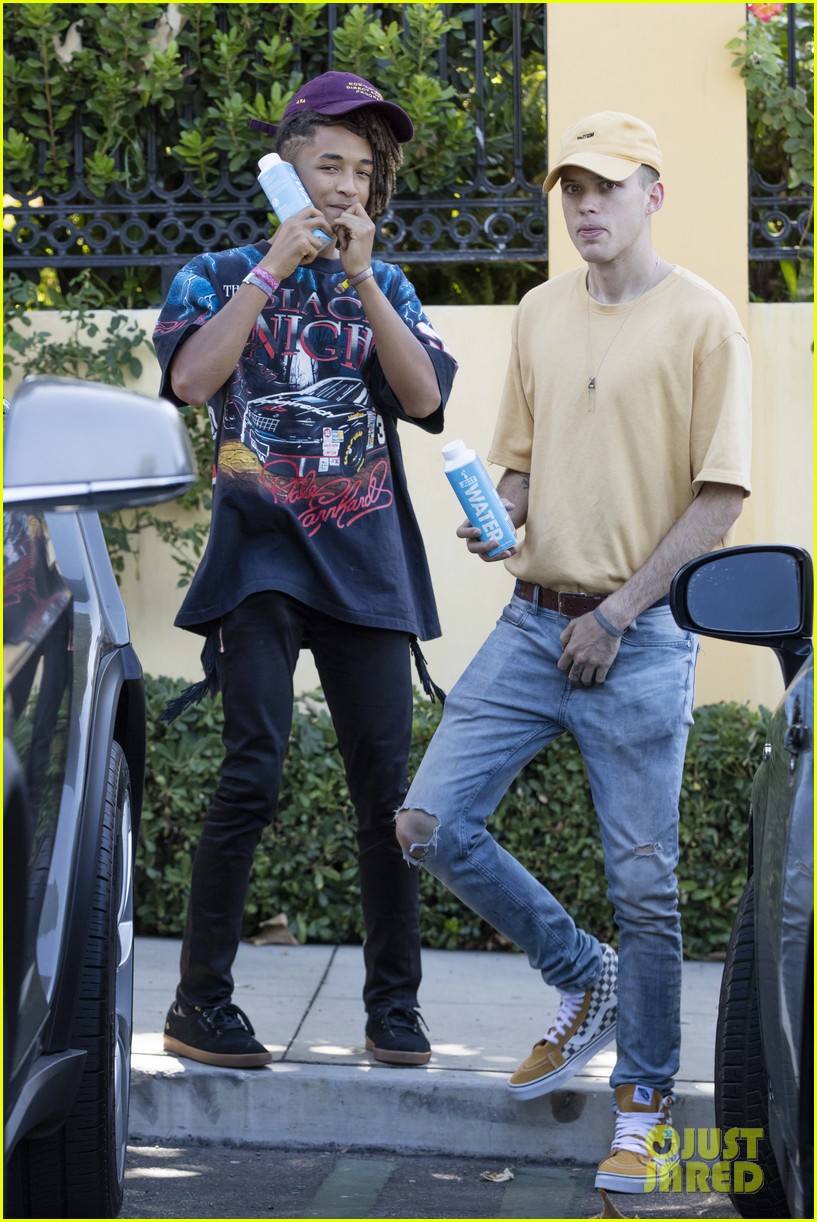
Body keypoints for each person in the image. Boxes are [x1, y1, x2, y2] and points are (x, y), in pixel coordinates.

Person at [395, 111, 752, 1191]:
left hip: (635, 642)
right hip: (529, 620)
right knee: (427, 822)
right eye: (570, 190)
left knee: (645, 888)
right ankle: (577, 973)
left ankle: (642, 1100)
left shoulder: (704, 323)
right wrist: (495, 516)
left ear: (652, 193)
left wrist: (619, 615)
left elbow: (719, 499)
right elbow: (517, 462)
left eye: (607, 187)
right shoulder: (540, 312)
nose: (585, 207)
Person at [152, 71, 458, 1071]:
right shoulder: (215, 271)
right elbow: (194, 378)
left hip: (364, 562)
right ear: (283, 170)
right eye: (329, 165)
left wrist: (363, 280)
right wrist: (276, 266)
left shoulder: (388, 286)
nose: (346, 188)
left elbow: (421, 402)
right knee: (253, 772)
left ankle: (395, 1008)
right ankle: (201, 1003)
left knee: (388, 794)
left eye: (363, 173)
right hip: (260, 563)